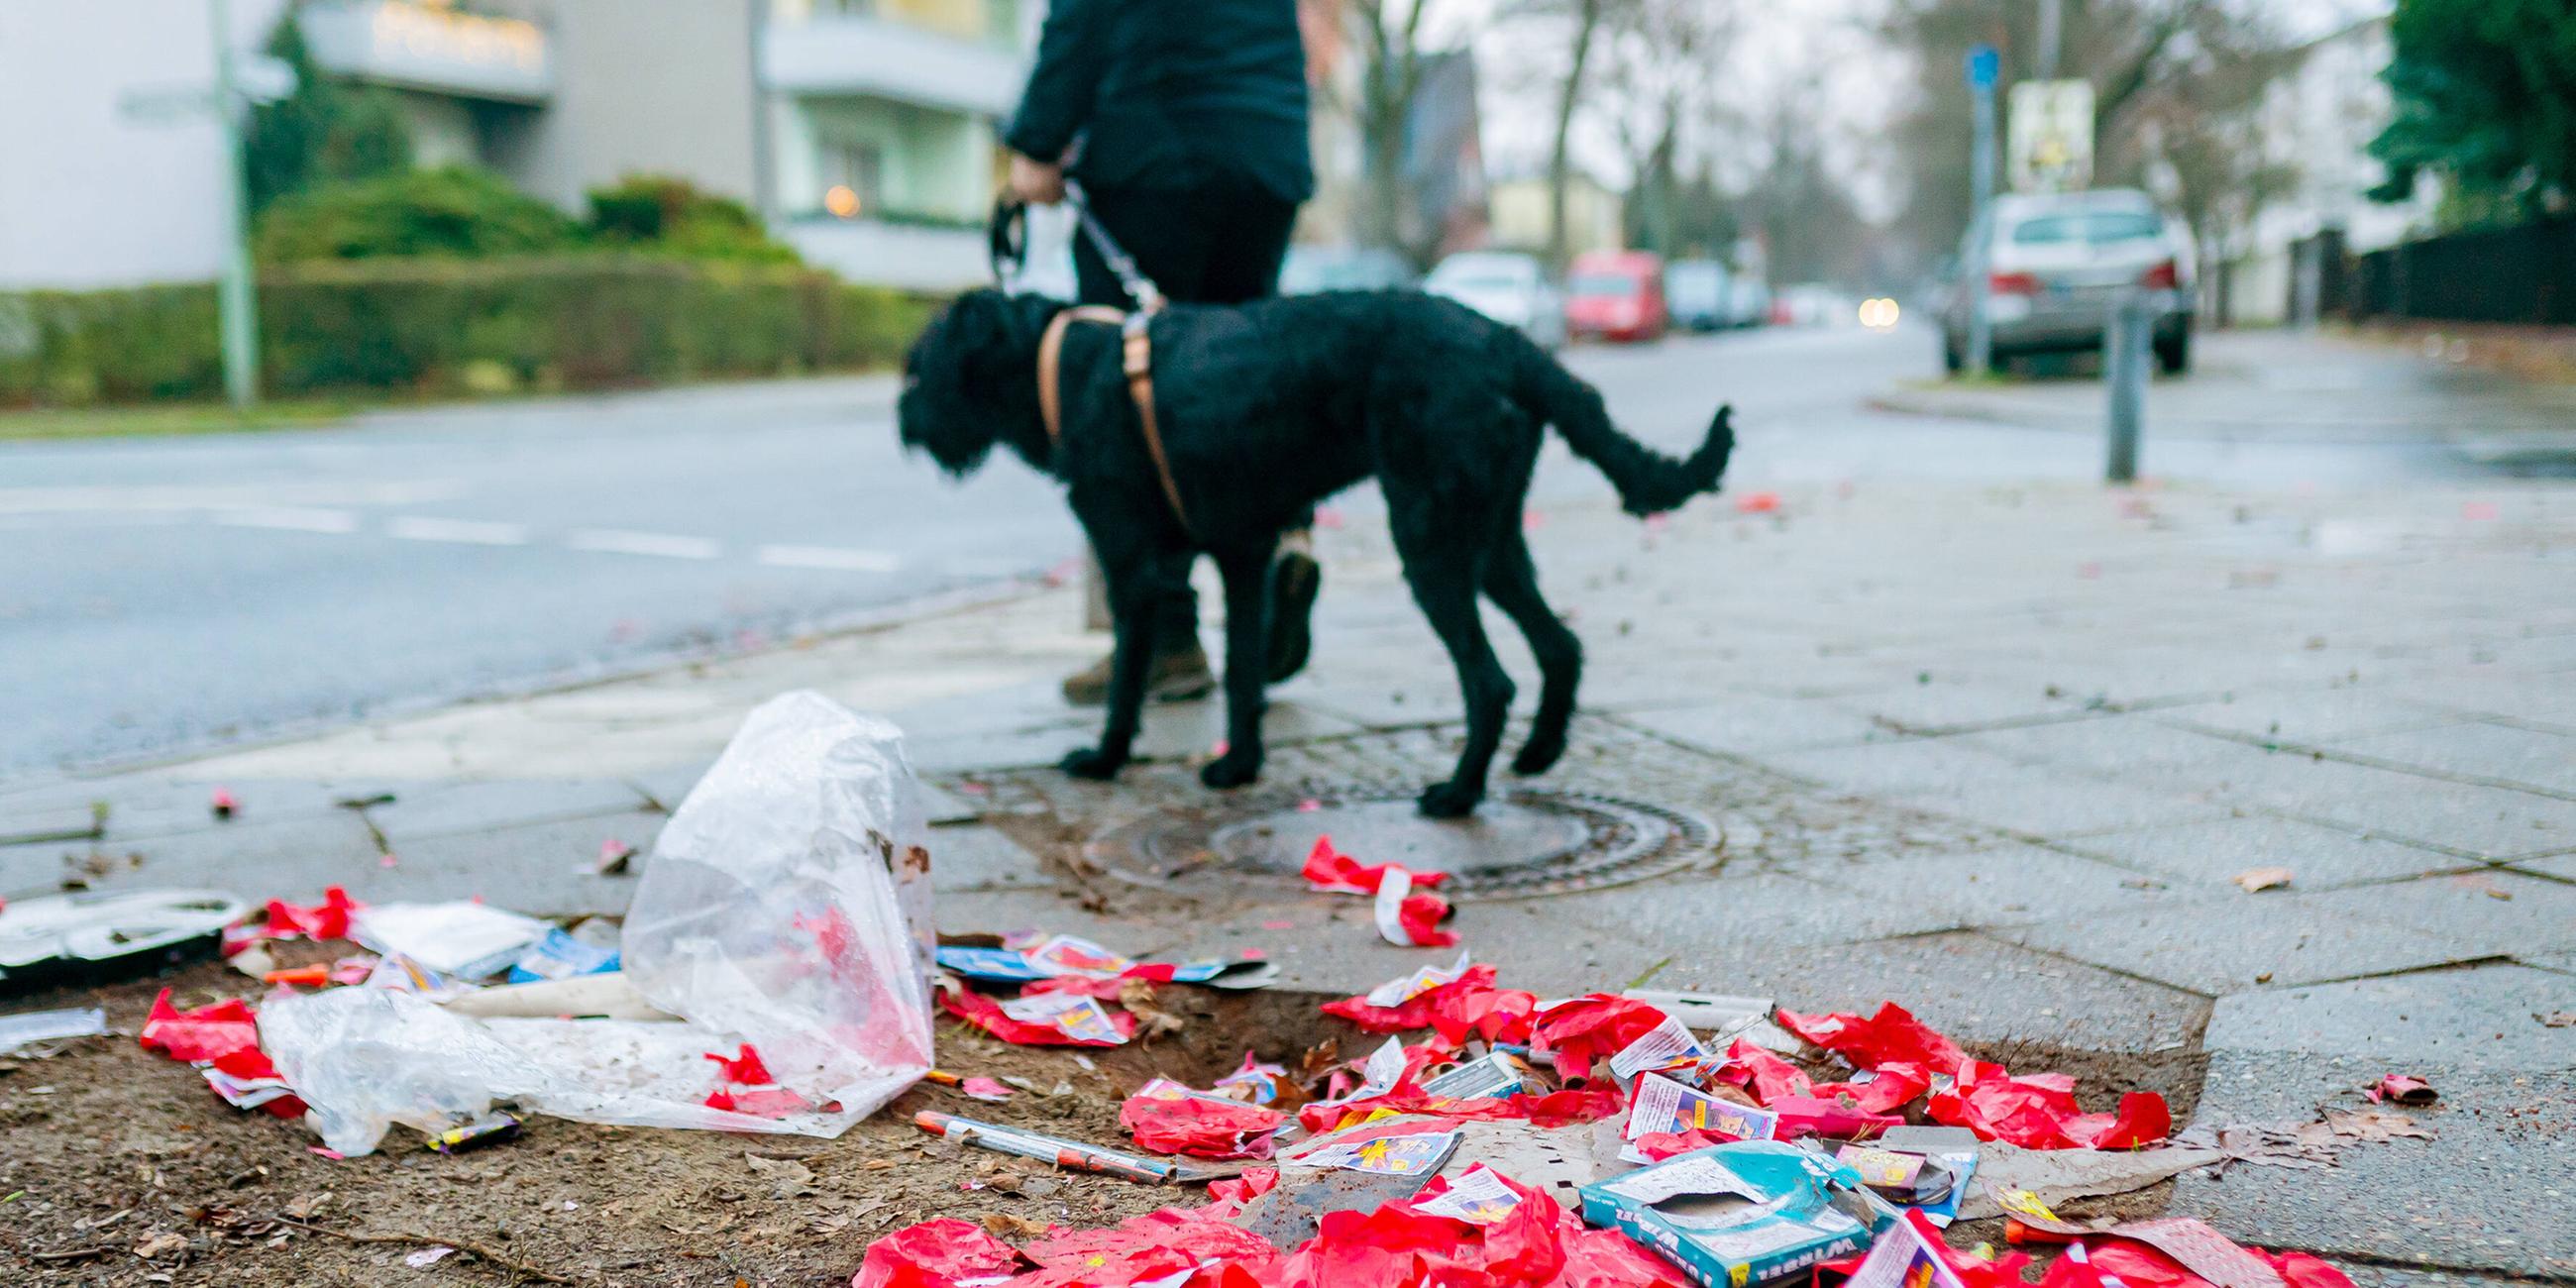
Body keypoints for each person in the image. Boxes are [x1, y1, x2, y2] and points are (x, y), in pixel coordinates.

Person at [1004, 0, 1322, 705]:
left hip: (1154, 153)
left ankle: (1165, 638)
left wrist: (1035, 143)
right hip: (1264, 160)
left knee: (1131, 407)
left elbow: (1081, 19)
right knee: (1241, 379)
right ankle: (1282, 544)